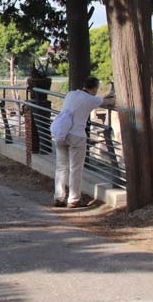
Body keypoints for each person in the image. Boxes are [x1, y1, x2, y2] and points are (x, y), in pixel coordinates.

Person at [49, 76, 116, 208]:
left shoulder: (71, 94)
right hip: (77, 136)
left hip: (61, 133)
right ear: (95, 88)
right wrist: (114, 96)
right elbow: (110, 102)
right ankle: (74, 199)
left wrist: (107, 95)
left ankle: (59, 197)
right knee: (75, 168)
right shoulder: (91, 99)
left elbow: (101, 99)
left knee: (61, 167)